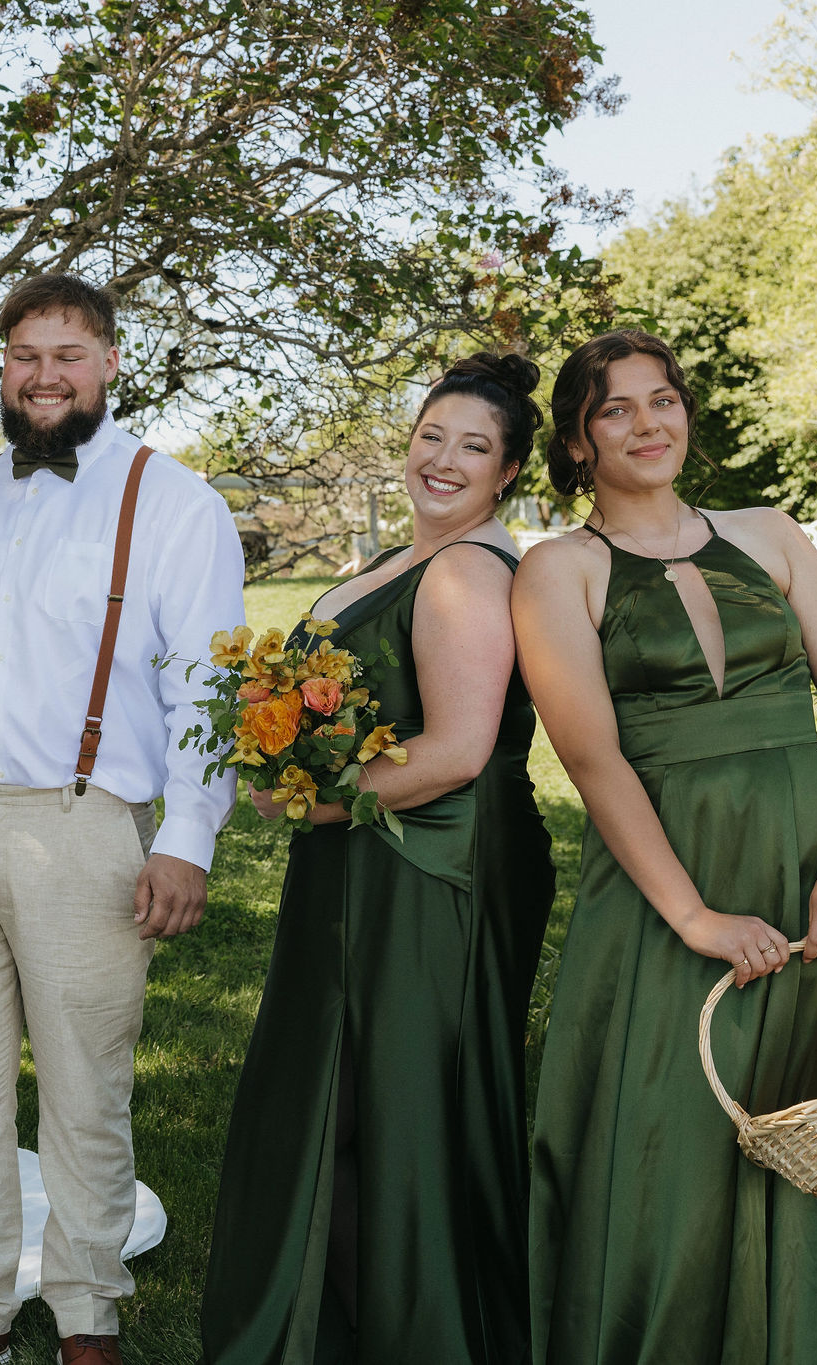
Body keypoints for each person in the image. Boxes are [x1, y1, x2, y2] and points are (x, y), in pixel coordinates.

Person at [0, 273, 242, 1365]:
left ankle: (88, 1308)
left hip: (83, 826)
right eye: (23, 357)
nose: (43, 376)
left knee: (84, 1087)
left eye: (67, 354)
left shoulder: (172, 502)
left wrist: (186, 837)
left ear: (107, 363)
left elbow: (208, 690)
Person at [200, 354, 556, 1364]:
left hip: (434, 863)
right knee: (342, 1094)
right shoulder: (400, 560)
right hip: (366, 851)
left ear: (506, 472)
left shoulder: (465, 572)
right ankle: (346, 1326)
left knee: (404, 1099)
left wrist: (306, 797)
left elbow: (453, 751)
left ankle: (422, 1331)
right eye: (430, 436)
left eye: (472, 448)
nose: (441, 460)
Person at [514, 329, 817, 1364]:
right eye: (614, 409)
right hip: (665, 882)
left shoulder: (771, 533)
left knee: (814, 1123)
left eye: (660, 400)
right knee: (668, 1137)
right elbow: (594, 760)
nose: (646, 424)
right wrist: (693, 916)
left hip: (809, 864)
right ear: (577, 440)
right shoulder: (556, 570)